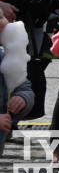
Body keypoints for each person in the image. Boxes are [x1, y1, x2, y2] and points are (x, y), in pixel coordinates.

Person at [0, 12, 34, 157]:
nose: (2, 22)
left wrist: (22, 98)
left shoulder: (5, 57)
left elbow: (23, 86)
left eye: (1, 17)